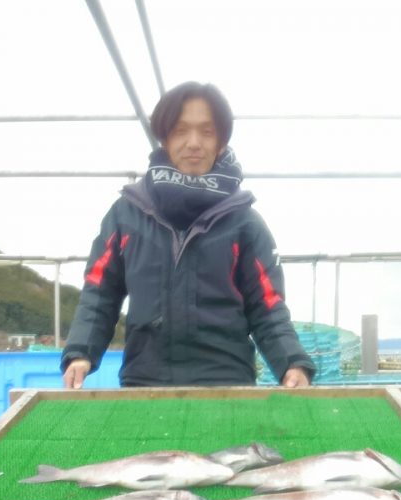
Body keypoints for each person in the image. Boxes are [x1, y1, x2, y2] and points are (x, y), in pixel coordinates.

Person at [61, 82, 316, 389]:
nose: (194, 142)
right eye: (181, 130)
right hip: (144, 382)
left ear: (221, 142)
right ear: (164, 138)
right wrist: (81, 353)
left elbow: (268, 306)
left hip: (228, 382)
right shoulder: (125, 214)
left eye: (206, 132)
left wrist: (292, 363)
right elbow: (100, 293)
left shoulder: (245, 222)